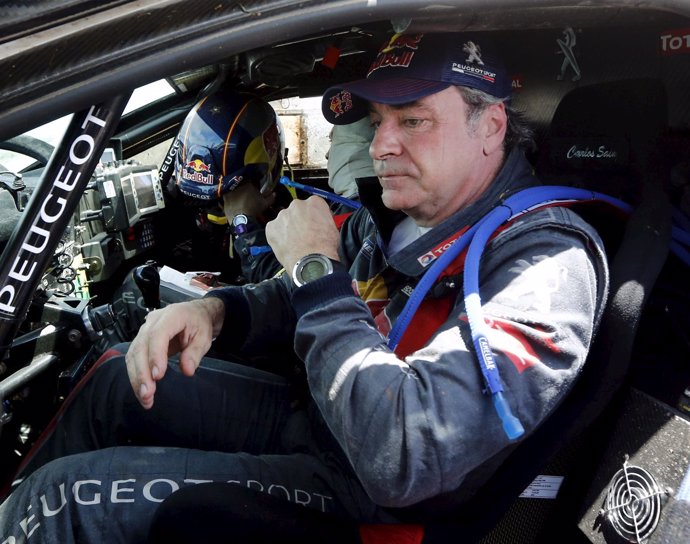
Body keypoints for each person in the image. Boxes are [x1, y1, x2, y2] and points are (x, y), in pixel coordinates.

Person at [0, 32, 609, 543]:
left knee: (62, 502)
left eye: (413, 119)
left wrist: (316, 270)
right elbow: (298, 300)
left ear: (491, 124)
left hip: (365, 490)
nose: (381, 144)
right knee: (114, 380)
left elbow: (402, 455)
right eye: (378, 121)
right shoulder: (405, 215)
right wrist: (217, 312)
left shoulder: (546, 265)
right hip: (318, 414)